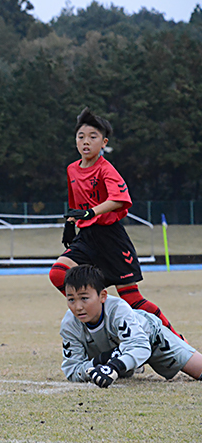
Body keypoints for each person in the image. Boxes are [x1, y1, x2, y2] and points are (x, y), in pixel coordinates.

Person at [49, 107, 184, 340]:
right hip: (87, 238)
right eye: (81, 137)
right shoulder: (72, 169)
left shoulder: (105, 169)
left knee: (133, 300)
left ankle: (176, 340)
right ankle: (100, 322)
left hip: (111, 238)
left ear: (104, 143)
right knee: (58, 274)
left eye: (93, 137)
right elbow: (76, 205)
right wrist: (71, 222)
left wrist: (91, 212)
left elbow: (120, 199)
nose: (86, 142)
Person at [60, 265, 201, 387]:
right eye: (71, 299)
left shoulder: (118, 310)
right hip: (120, 348)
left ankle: (129, 361)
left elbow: (140, 346)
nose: (78, 307)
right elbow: (73, 370)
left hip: (151, 337)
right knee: (124, 361)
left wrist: (114, 366)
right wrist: (102, 361)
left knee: (199, 369)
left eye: (84, 298)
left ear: (103, 296)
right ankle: (131, 363)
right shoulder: (69, 325)